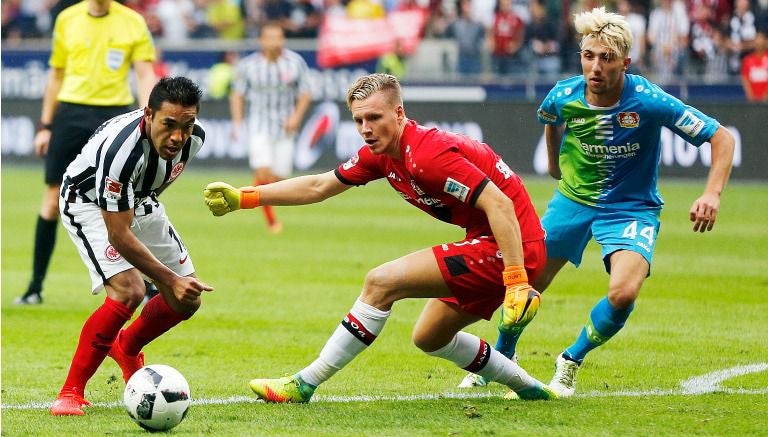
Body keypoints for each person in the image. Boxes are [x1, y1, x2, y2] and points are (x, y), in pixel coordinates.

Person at [203, 73, 558, 403]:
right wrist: (246, 197)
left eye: (374, 118)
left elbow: (500, 203)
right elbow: (318, 185)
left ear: (399, 113)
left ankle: (304, 384)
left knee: (381, 281)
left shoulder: (427, 154)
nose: (366, 129)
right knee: (430, 337)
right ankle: (529, 389)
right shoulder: (381, 155)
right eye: (358, 121)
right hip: (492, 241)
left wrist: (516, 281)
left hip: (512, 247)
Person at [459, 6, 735, 397]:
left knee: (623, 293)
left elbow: (722, 137)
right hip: (573, 201)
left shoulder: (650, 100)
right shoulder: (564, 94)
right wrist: (554, 163)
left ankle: (570, 360)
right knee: (526, 281)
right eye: (589, 56)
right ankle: (503, 357)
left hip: (631, 208)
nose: (596, 67)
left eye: (606, 58)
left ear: (626, 62)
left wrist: (712, 193)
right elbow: (550, 118)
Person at [50, 77, 213, 416]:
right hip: (89, 203)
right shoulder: (121, 153)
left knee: (187, 299)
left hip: (139, 199)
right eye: (169, 125)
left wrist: (172, 282)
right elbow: (119, 235)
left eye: (187, 124)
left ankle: (127, 347)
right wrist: (168, 278)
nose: (178, 137)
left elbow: (157, 181)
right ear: (149, 115)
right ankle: (70, 393)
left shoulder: (194, 140)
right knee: (129, 290)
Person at [14, 0, 157, 305]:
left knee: (128, 200)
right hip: (71, 115)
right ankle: (34, 287)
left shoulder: (133, 21)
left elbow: (145, 73)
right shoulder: (67, 19)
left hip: (115, 116)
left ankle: (147, 280)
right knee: (52, 200)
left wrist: (147, 116)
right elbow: (56, 76)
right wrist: (46, 124)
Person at [229, 21, 311, 234]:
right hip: (259, 126)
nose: (274, 41)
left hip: (285, 127)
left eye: (278, 36)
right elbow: (237, 94)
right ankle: (270, 220)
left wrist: (296, 117)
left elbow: (305, 93)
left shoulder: (295, 63)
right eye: (270, 37)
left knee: (279, 179)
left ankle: (257, 201)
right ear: (262, 40)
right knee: (263, 170)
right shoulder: (249, 66)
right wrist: (237, 122)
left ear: (283, 39)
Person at [740, 30, 768, 102]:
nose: (758, 42)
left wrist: (766, 96)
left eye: (760, 39)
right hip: (753, 101)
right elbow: (745, 79)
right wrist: (750, 96)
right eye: (756, 39)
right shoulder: (747, 60)